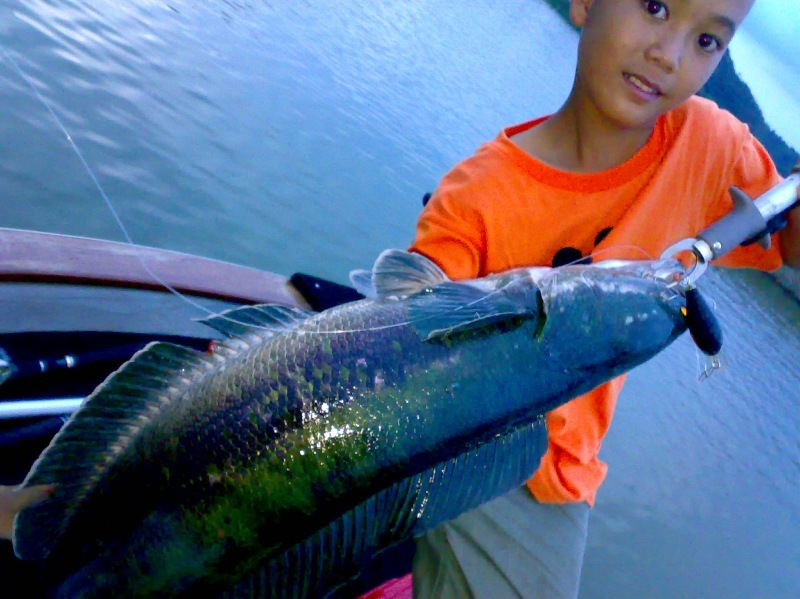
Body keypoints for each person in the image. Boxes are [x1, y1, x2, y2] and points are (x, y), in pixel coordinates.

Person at [408, 0, 800, 597]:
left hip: (556, 472)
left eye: (707, 42)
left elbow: (790, 246)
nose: (667, 54)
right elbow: (406, 332)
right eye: (656, 7)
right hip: (457, 436)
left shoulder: (708, 147)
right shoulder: (474, 199)